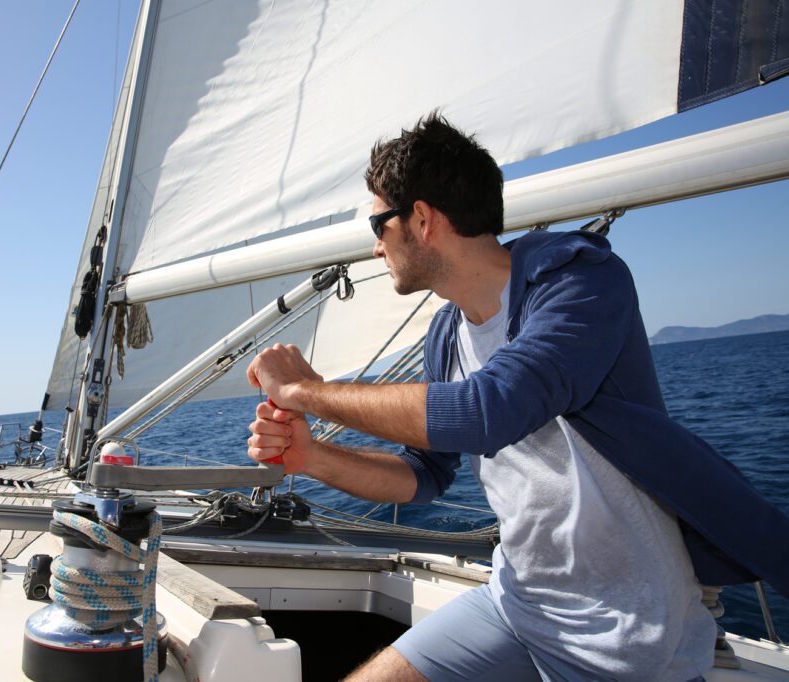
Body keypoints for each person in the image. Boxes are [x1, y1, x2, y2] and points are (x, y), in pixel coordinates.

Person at [245, 113, 788, 681]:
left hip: (626, 632)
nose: (376, 248)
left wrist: (305, 391)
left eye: (379, 225)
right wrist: (312, 459)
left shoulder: (578, 281)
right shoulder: (446, 335)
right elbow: (424, 476)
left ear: (422, 219)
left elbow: (491, 410)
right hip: (516, 602)